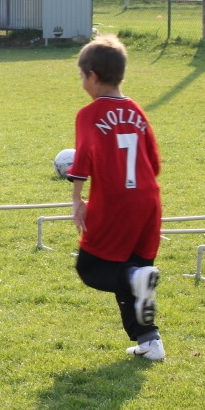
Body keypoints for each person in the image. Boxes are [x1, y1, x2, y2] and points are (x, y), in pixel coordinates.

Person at [68, 34, 164, 361]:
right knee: (137, 276)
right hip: (149, 201)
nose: (82, 83)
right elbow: (155, 164)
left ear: (93, 76)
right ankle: (150, 341)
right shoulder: (137, 110)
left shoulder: (89, 114)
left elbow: (81, 161)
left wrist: (78, 200)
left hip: (115, 202)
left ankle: (133, 277)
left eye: (81, 76)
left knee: (91, 266)